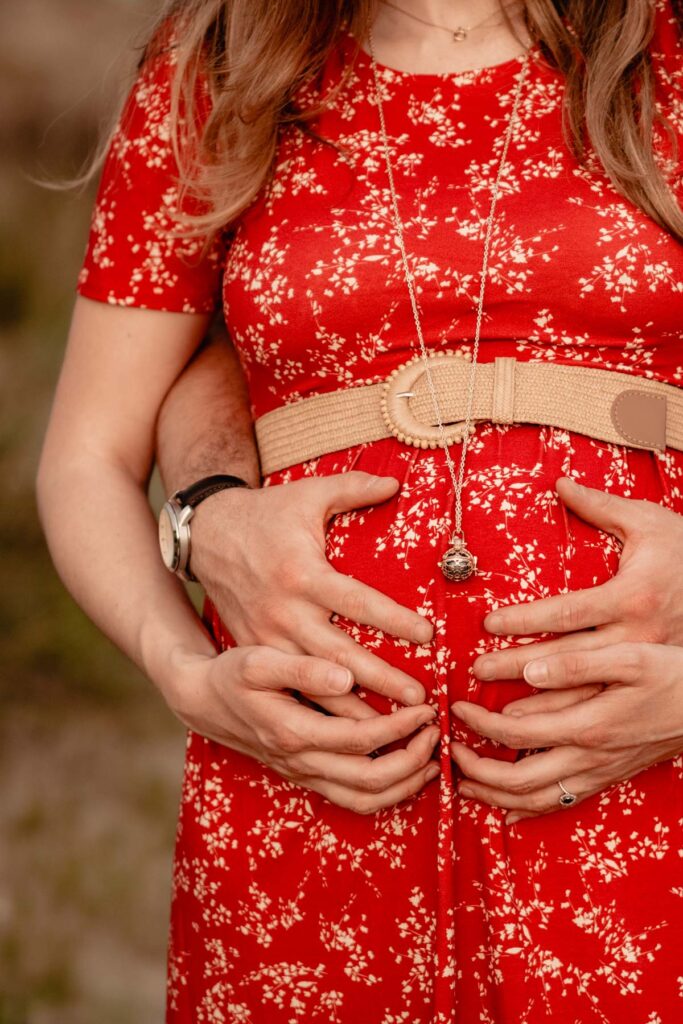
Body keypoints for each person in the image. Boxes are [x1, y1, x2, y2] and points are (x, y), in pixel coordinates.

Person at [37, 0, 683, 1020]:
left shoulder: (665, 45)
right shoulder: (226, 56)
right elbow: (86, 455)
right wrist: (186, 673)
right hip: (309, 792)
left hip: (648, 791)